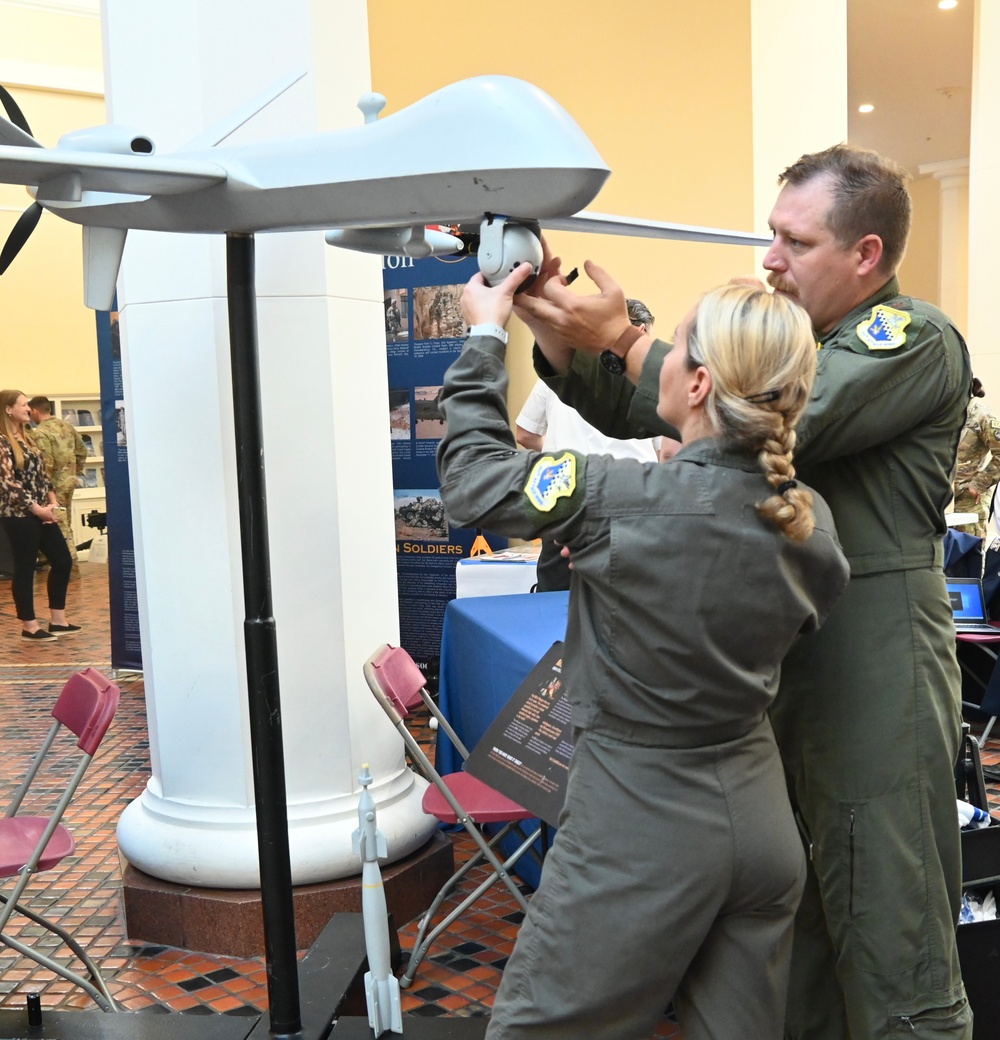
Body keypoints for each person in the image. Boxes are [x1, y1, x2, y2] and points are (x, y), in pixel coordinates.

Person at [512, 144, 973, 1038]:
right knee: (793, 961)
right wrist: (560, 330)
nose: (770, 258)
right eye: (772, 235)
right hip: (777, 685)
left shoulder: (910, 339)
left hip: (873, 678)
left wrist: (626, 336)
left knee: (894, 942)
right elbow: (671, 404)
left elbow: (773, 410)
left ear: (866, 255)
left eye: (795, 242)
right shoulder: (787, 346)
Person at [437, 268, 849, 1040]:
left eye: (673, 346)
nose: (655, 356)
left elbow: (471, 484)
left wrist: (486, 333)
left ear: (696, 385)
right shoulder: (808, 520)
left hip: (642, 820)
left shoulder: (620, 498)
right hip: (762, 823)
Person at [514, 298, 666, 591]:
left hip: (563, 498)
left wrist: (559, 452)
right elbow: (666, 454)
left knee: (554, 599)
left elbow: (524, 433)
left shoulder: (562, 369)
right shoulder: (651, 383)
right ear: (643, 330)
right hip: (631, 506)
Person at [0, 390, 79, 640]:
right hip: (19, 514)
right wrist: (36, 508)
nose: (28, 408)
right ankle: (30, 626)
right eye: (23, 404)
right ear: (8, 409)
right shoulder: (2, 441)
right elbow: (7, 483)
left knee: (63, 560)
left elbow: (42, 474)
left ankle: (58, 620)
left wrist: (52, 502)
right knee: (26, 567)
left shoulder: (27, 437)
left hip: (42, 511)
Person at [28, 395, 87, 567]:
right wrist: (75, 471)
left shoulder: (40, 433)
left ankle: (67, 560)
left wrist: (44, 486)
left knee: (58, 523)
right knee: (65, 519)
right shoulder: (67, 426)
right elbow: (82, 451)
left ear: (34, 411)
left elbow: (46, 463)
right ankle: (54, 558)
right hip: (70, 480)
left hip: (53, 485)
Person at [952, 377, 1000, 542]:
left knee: (969, 558)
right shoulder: (940, 416)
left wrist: (979, 483)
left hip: (969, 498)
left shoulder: (981, 415)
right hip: (939, 499)